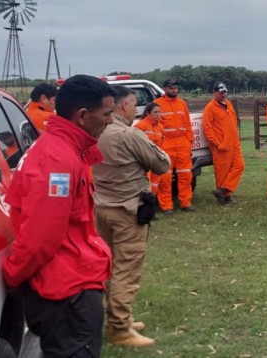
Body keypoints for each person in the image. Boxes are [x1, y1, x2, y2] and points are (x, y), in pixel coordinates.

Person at [1, 75, 115, 358]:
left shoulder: (66, 150)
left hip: (69, 286)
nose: (111, 121)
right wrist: (13, 277)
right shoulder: (58, 161)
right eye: (107, 114)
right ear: (83, 115)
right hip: (68, 294)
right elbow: (41, 235)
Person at [92, 86, 171, 348]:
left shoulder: (96, 132)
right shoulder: (128, 134)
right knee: (126, 269)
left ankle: (117, 316)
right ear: (123, 105)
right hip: (127, 211)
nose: (136, 109)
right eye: (134, 104)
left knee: (109, 267)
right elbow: (161, 163)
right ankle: (119, 328)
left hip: (100, 208)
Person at [152, 78, 195, 212]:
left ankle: (186, 203)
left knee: (186, 175)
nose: (174, 90)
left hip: (182, 144)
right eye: (171, 88)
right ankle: (166, 206)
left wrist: (189, 142)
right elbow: (153, 125)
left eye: (175, 88)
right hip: (166, 145)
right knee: (165, 177)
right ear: (165, 89)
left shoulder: (182, 104)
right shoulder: (156, 104)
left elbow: (188, 124)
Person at [202, 82, 244, 206]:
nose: (223, 95)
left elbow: (234, 122)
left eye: (225, 92)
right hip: (221, 146)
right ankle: (225, 197)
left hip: (234, 143)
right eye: (221, 92)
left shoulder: (229, 104)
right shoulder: (210, 108)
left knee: (239, 166)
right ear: (214, 93)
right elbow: (207, 128)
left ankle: (222, 190)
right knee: (222, 172)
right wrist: (217, 143)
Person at [134, 102, 166, 199]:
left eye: (160, 112)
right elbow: (135, 144)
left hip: (155, 160)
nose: (158, 114)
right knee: (145, 184)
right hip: (144, 161)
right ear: (148, 113)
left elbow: (161, 144)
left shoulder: (160, 127)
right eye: (156, 112)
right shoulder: (140, 126)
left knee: (155, 184)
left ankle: (151, 204)